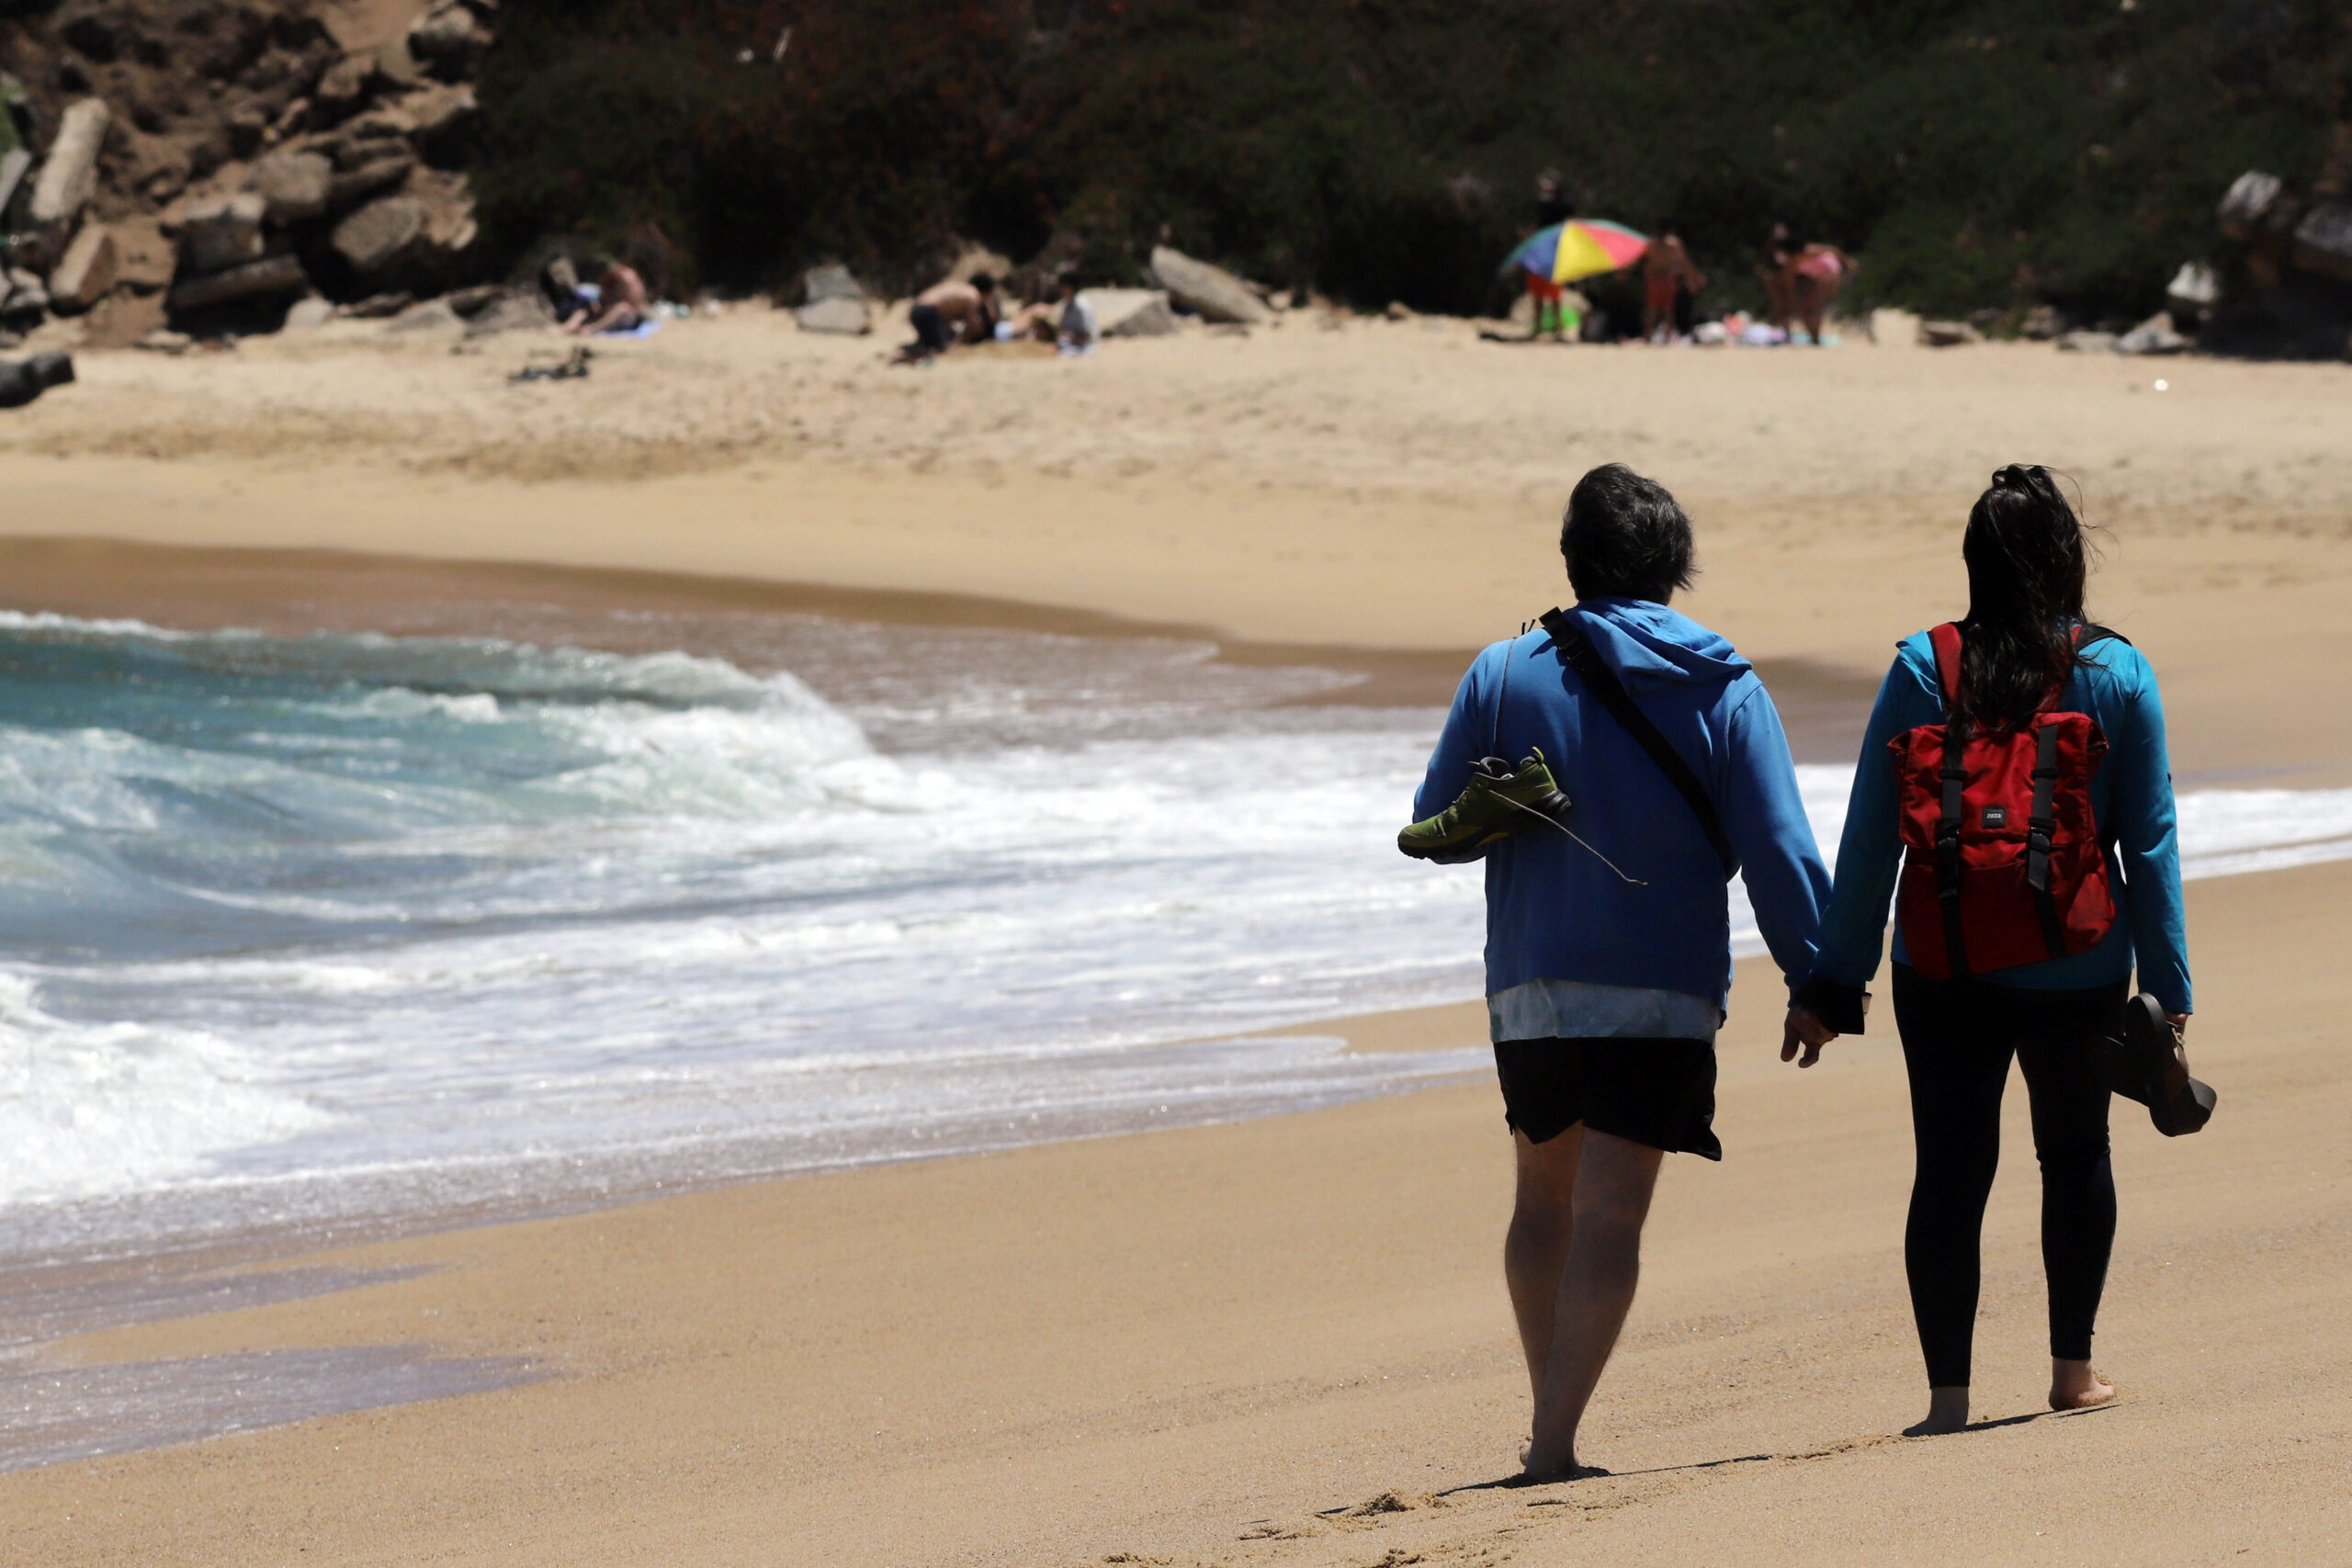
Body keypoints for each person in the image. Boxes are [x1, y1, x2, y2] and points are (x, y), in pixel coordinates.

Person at [1408, 464, 1834, 1480]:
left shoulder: (1501, 671)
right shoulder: (1723, 683)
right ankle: (1552, 1440)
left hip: (1528, 981)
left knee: (1540, 1201)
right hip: (1656, 982)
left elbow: (1435, 825)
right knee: (1609, 1212)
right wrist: (1817, 977)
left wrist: (1500, 805)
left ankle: (1548, 1416)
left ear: (1572, 559)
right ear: (1675, 564)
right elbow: (1777, 843)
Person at [1785, 465, 2191, 1438]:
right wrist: (2169, 989)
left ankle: (1946, 1401)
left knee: (1950, 1170)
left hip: (1944, 962)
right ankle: (2071, 1372)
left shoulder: (1924, 667)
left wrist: (1832, 985)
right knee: (2075, 1153)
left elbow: (1869, 835)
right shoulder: (2115, 671)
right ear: (2067, 560)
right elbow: (2151, 839)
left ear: (1972, 564)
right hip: (2080, 966)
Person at [897, 273, 998, 363]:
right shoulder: (973, 296)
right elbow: (972, 323)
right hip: (928, 311)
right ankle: (905, 356)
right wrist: (963, 341)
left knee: (930, 341)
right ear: (986, 292)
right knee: (939, 348)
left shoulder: (960, 288)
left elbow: (945, 314)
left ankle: (907, 350)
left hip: (916, 309)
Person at [1642, 223, 1706, 343]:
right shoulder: (1674, 244)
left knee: (1652, 310)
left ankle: (1648, 337)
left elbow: (1642, 262)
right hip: (1667, 280)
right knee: (1668, 310)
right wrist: (1695, 277)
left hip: (1654, 280)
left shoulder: (1651, 244)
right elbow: (1685, 262)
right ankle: (1667, 338)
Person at [1789, 241, 1858, 344]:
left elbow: (1833, 250)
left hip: (1827, 273)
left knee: (1813, 306)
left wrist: (1847, 262)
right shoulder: (1791, 259)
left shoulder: (1809, 250)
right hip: (1813, 276)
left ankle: (1815, 337)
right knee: (1806, 307)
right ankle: (1814, 336)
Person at [560, 258, 648, 337]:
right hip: (610, 311)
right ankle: (566, 329)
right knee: (583, 312)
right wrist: (599, 306)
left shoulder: (628, 278)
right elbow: (604, 298)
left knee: (621, 309)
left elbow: (634, 303)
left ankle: (591, 330)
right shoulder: (612, 280)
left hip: (629, 316)